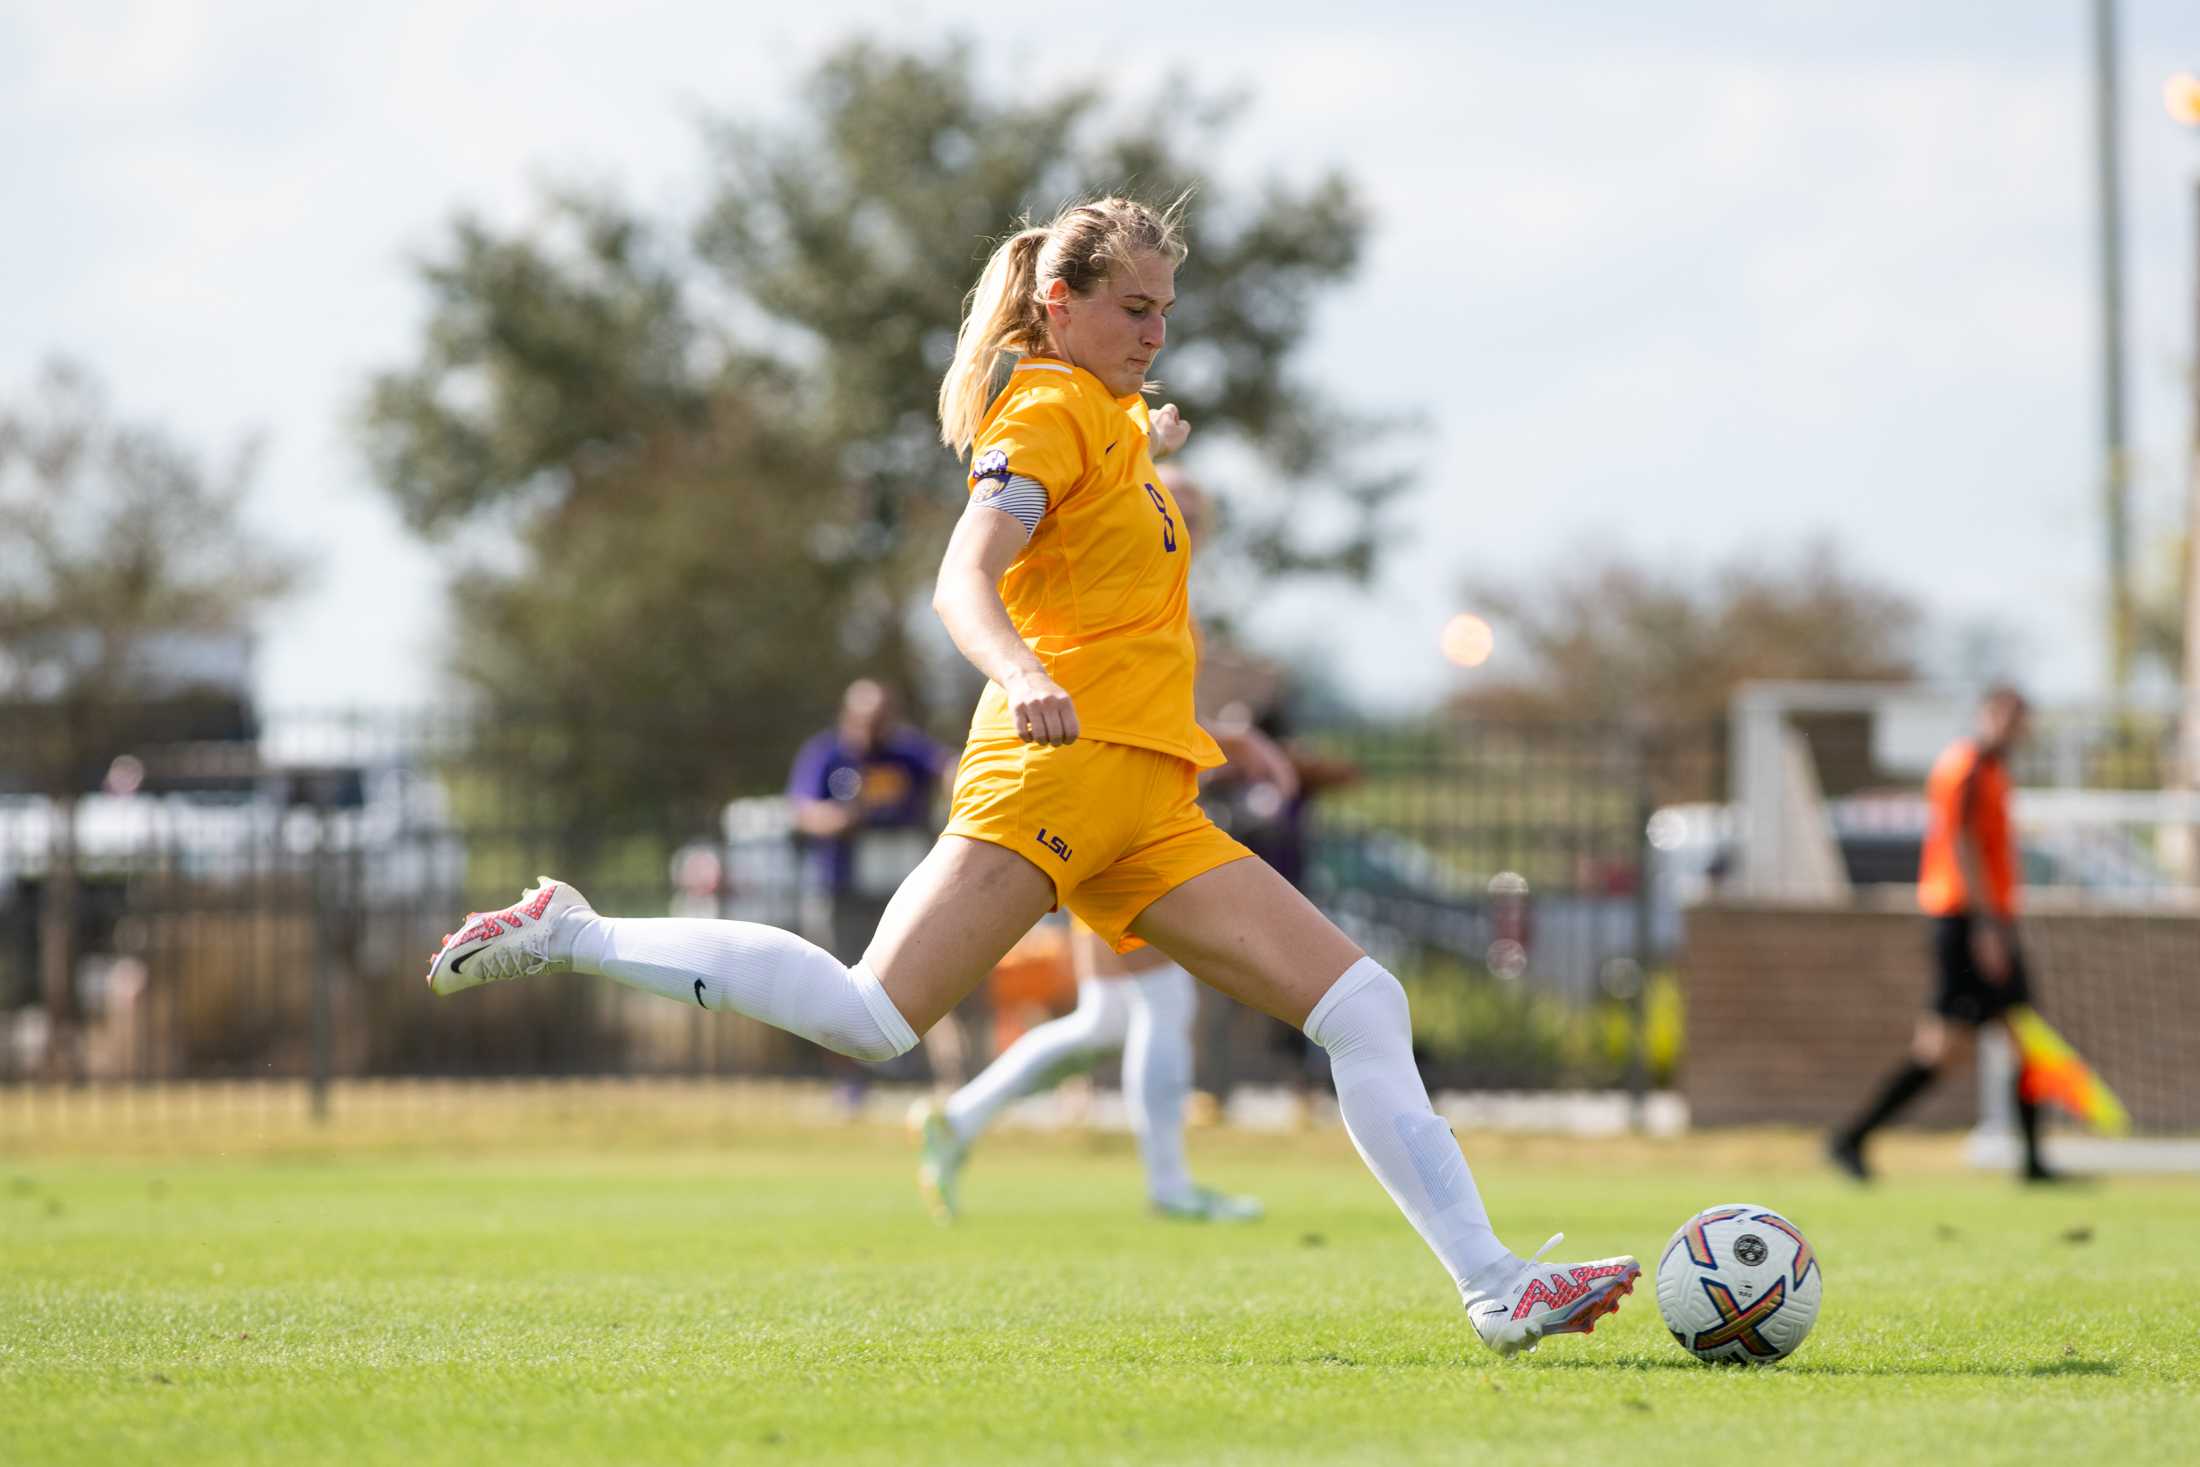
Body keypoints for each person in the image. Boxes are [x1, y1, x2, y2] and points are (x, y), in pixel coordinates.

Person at [423, 195, 1638, 1355]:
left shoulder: (1107, 417)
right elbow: (964, 578)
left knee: (1364, 1005)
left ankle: (1496, 1287)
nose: (1155, 333)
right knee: (873, 1019)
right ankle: (571, 931)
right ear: (1058, 303)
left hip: (1153, 800)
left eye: (1165, 311)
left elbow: (1106, 529)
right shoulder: (1044, 412)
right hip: (1052, 774)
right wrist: (1017, 666)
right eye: (1132, 310)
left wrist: (1144, 439)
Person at [1828, 686, 2059, 1182]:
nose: (2014, 727)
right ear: (1986, 715)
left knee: (2010, 1040)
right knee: (1951, 1048)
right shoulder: (1967, 767)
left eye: (2021, 719)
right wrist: (1985, 927)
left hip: (1981, 920)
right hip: (1966, 921)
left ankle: (2034, 1161)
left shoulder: (1995, 771)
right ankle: (1851, 1138)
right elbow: (1962, 843)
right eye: (2006, 716)